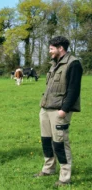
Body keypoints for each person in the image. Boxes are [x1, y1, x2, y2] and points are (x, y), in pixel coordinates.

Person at [34, 36, 83, 187]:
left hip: (59, 111)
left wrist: (64, 110)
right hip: (46, 109)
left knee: (60, 143)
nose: (49, 51)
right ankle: (48, 168)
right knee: (46, 141)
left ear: (60, 48)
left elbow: (73, 90)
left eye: (51, 48)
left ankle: (65, 177)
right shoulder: (54, 64)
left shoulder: (73, 64)